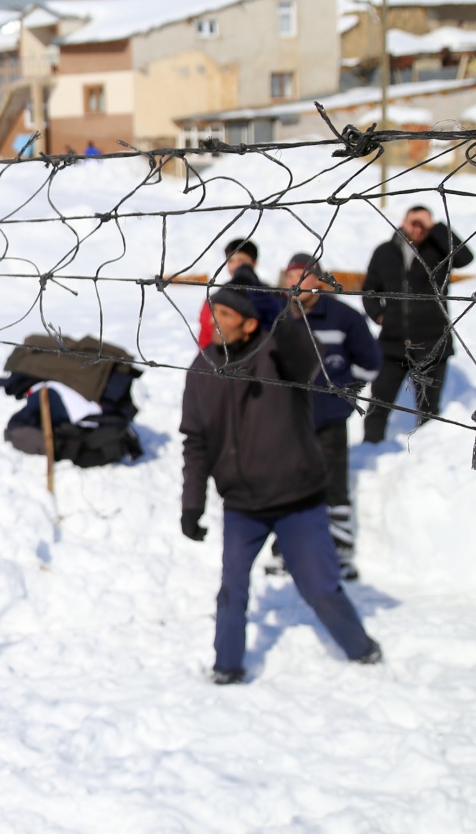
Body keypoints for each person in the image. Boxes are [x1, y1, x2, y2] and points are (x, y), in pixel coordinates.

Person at [179, 287, 381, 684]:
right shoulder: (201, 369)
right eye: (211, 311)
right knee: (231, 591)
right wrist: (192, 505)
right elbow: (195, 442)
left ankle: (363, 650)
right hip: (242, 507)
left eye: (224, 313)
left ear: (250, 323)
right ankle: (227, 667)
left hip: (297, 502)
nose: (213, 320)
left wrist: (292, 312)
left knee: (321, 588)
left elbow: (306, 356)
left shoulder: (279, 356)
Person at [283, 255, 380, 580]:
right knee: (289, 484)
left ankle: (340, 551)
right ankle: (287, 548)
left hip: (330, 417)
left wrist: (345, 392)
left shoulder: (344, 317)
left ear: (320, 280)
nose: (295, 282)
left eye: (303, 276)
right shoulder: (281, 318)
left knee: (333, 484)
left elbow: (369, 362)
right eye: (290, 276)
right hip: (290, 419)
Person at [360, 205, 472, 442]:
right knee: (378, 404)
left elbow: (465, 258)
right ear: (403, 222)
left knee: (429, 412)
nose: (418, 228)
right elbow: (370, 288)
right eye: (414, 222)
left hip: (432, 343)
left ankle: (422, 459)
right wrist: (378, 316)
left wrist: (436, 228)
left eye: (423, 224)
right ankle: (370, 449)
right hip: (393, 344)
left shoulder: (439, 250)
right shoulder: (384, 252)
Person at [196, 238, 280, 348]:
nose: (236, 265)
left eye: (241, 260)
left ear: (254, 263)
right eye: (231, 261)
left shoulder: (272, 297)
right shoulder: (215, 300)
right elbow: (206, 340)